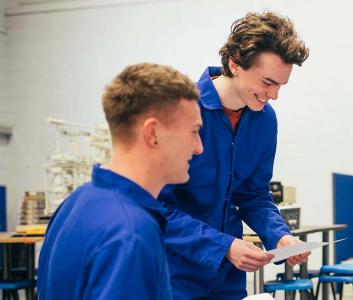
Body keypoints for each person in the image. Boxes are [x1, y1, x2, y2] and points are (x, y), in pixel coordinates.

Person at [158, 11, 311, 299]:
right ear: (235, 64)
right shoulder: (181, 112)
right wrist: (223, 246)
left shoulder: (265, 120)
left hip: (227, 277)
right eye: (267, 82)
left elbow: (254, 195)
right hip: (175, 272)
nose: (274, 95)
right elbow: (158, 209)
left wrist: (279, 236)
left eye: (281, 85)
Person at [38, 63, 203, 299]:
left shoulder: (74, 203)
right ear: (153, 133)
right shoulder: (131, 233)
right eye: (194, 132)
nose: (199, 148)